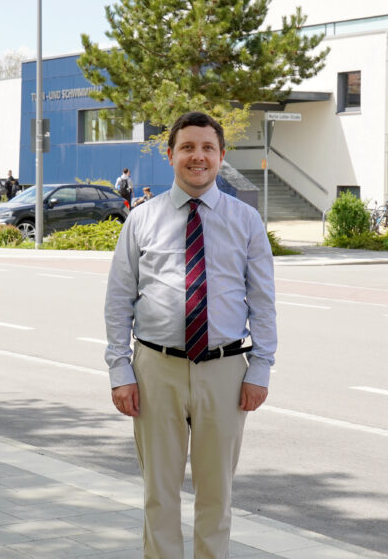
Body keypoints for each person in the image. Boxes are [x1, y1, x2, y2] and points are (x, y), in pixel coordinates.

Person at [104, 111, 277, 558]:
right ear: (170, 155)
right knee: (158, 495)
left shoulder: (246, 221)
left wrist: (260, 368)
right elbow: (119, 300)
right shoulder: (142, 220)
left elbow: (263, 303)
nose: (197, 157)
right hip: (154, 370)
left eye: (206, 148)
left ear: (221, 156)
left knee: (216, 496)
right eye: (187, 148)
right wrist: (119, 370)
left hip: (225, 371)